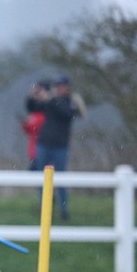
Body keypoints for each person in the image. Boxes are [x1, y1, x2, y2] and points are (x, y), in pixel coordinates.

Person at [27, 74, 86, 220]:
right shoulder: (51, 102)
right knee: (42, 178)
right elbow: (32, 108)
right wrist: (32, 96)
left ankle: (64, 210)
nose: (58, 89)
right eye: (57, 86)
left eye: (61, 86)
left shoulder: (71, 102)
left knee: (61, 180)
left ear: (67, 87)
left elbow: (65, 113)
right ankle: (44, 208)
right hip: (44, 144)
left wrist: (51, 99)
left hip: (60, 147)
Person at [21, 80, 49, 170]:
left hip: (45, 149)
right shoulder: (35, 111)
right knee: (35, 175)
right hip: (34, 150)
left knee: (40, 175)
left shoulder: (50, 108)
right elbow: (30, 105)